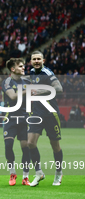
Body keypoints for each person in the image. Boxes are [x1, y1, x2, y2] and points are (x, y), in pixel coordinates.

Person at [28, 51, 63, 187]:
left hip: (50, 114)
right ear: (31, 61)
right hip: (37, 113)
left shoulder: (47, 73)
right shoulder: (31, 72)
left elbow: (59, 89)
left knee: (55, 146)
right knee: (31, 143)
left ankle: (58, 172)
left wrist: (39, 91)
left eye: (38, 59)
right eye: (34, 59)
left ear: (43, 60)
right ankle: (39, 173)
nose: (36, 61)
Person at [2, 58, 31, 186]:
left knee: (26, 147)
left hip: (24, 118)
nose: (23, 68)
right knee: (8, 145)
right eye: (20, 66)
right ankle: (12, 173)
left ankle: (25, 177)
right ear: (13, 69)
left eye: (23, 66)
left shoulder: (27, 82)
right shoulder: (7, 82)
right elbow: (13, 96)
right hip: (10, 118)